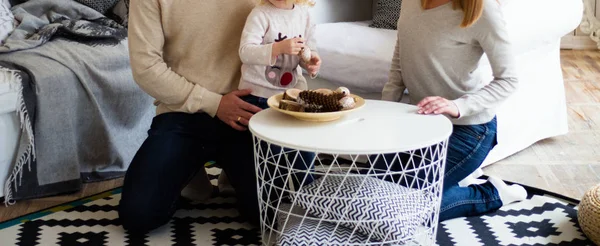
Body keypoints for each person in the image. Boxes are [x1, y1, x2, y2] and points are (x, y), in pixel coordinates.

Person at [118, 0, 265, 234]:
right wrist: (215, 104)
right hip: (183, 114)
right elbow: (146, 67)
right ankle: (190, 176)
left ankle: (230, 174)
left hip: (244, 113)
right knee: (138, 215)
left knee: (269, 216)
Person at [380, 0, 527, 221]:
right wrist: (384, 113)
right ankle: (454, 178)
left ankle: (491, 193)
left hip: (469, 130)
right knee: (371, 191)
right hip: (422, 125)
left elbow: (509, 80)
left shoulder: (484, 9)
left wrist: (459, 105)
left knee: (399, 209)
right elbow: (399, 62)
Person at [238, 0, 321, 190]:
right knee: (271, 155)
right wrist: (277, 48)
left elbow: (309, 50)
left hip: (292, 96)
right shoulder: (260, 14)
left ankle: (307, 196)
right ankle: (274, 197)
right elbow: (245, 52)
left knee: (303, 148)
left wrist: (311, 63)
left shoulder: (304, 15)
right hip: (260, 95)